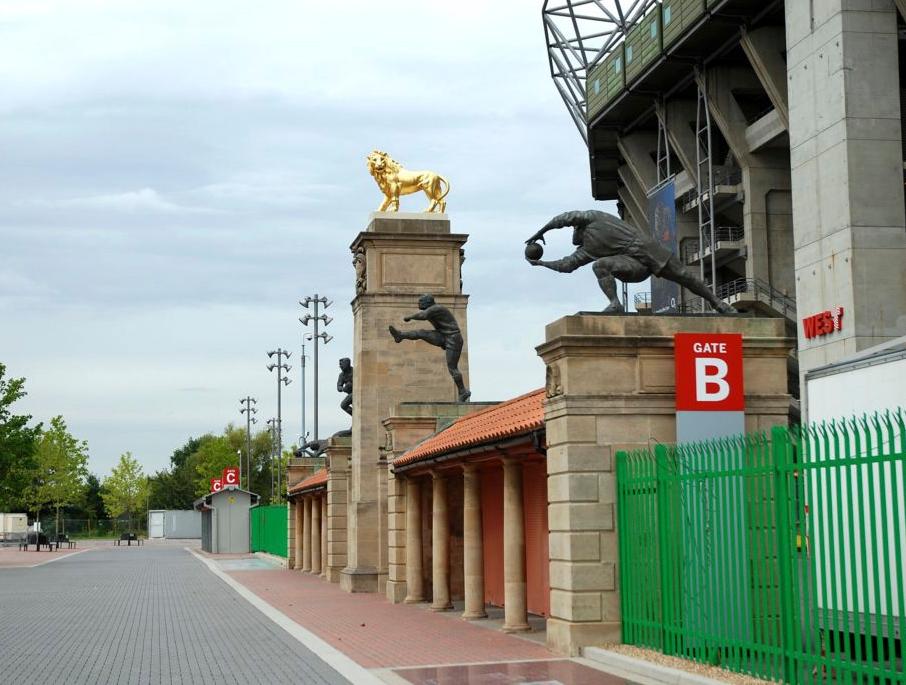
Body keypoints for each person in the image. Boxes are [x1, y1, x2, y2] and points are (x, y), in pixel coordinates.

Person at [525, 209, 734, 314]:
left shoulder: (591, 217)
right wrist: (542, 263)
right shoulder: (587, 251)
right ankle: (615, 303)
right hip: (632, 265)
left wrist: (541, 232)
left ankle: (717, 302)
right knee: (600, 265)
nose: (573, 235)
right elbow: (566, 266)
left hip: (646, 249)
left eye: (573, 230)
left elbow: (562, 219)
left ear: (577, 227)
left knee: (684, 276)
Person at [389, 294, 471, 402]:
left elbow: (423, 316)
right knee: (422, 333)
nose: (419, 304)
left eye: (421, 301)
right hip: (442, 336)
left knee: (452, 368)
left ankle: (463, 391)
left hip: (453, 339)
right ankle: (400, 335)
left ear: (427, 302)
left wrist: (410, 317)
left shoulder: (436, 308)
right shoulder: (432, 309)